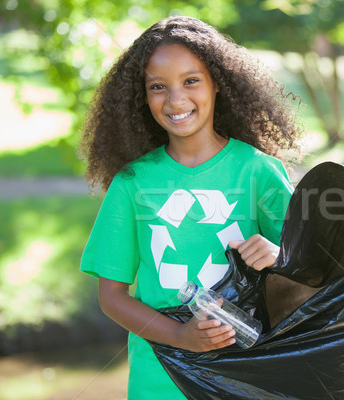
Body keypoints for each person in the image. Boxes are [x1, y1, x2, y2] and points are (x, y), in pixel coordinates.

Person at [79, 16, 302, 399]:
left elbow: (309, 276)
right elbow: (111, 296)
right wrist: (181, 335)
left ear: (218, 82)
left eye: (191, 80)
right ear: (142, 97)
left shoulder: (259, 172)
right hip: (160, 380)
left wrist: (280, 256)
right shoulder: (133, 183)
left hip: (247, 375)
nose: (176, 99)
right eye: (158, 87)